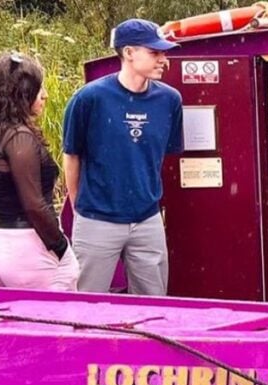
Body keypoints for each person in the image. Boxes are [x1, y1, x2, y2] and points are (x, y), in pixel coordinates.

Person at [62, 19, 183, 295]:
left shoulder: (170, 100)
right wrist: (81, 209)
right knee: (86, 307)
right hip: (97, 220)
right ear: (128, 53)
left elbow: (159, 157)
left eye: (164, 53)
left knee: (154, 304)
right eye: (155, 53)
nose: (163, 60)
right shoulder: (88, 99)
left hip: (148, 220)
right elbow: (71, 157)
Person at [0, 52, 78, 291]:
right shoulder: (19, 137)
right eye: (39, 89)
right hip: (29, 248)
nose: (45, 95)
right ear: (22, 94)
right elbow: (34, 205)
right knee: (58, 323)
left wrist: (5, 231)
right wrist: (62, 248)